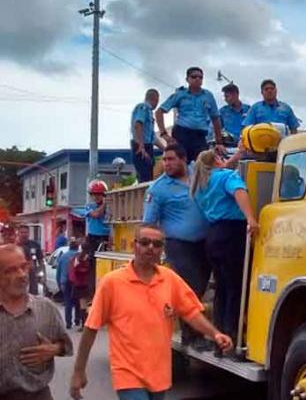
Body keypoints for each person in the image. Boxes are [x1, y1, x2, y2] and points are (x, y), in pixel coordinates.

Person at [69, 225, 233, 400]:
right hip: (127, 373)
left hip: (159, 375)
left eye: (157, 244)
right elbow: (91, 327)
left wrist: (215, 334)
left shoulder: (170, 279)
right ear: (135, 246)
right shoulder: (112, 283)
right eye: (145, 242)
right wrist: (79, 371)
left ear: (162, 249)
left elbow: (191, 312)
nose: (150, 248)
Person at [143, 143, 212, 349]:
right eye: (164, 160)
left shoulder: (198, 173)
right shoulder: (158, 189)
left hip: (205, 242)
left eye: (171, 159)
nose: (166, 164)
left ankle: (201, 330)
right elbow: (148, 222)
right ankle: (191, 336)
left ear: (184, 160)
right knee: (190, 288)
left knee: (202, 285)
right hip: (178, 245)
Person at [190, 150, 260, 344]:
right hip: (232, 233)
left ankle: (218, 335)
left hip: (213, 236)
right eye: (221, 158)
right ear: (216, 161)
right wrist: (251, 218)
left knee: (222, 287)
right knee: (237, 286)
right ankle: (234, 334)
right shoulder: (226, 176)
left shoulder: (200, 185)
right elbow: (239, 191)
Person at [0, 244, 73, 400]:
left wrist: (54, 349)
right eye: (11, 270)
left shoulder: (45, 307)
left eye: (23, 267)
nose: (21, 274)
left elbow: (66, 346)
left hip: (38, 395)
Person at [156, 67, 224, 162]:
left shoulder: (208, 95)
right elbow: (159, 112)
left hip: (200, 137)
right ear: (187, 79)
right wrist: (164, 134)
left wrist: (219, 142)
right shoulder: (180, 94)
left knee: (201, 166)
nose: (197, 79)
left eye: (200, 77)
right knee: (179, 165)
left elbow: (215, 118)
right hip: (182, 135)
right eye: (194, 77)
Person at [84, 180, 110, 296]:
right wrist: (105, 204)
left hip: (106, 237)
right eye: (94, 194)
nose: (96, 197)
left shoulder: (110, 206)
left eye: (99, 194)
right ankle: (92, 292)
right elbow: (96, 215)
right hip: (93, 238)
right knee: (93, 265)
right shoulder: (89, 207)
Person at [131, 89, 163, 182]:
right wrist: (141, 145)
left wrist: (165, 149)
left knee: (148, 176)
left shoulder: (149, 112)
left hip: (147, 146)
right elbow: (138, 124)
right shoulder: (143, 107)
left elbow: (152, 136)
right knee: (144, 177)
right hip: (141, 146)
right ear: (155, 99)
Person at [56, 239, 81, 329]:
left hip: (66, 282)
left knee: (68, 302)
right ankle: (77, 320)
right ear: (78, 247)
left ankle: (68, 323)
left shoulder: (63, 256)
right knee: (78, 302)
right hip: (78, 282)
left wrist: (59, 283)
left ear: (69, 247)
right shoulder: (79, 256)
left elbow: (58, 271)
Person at [68, 243, 92, 331]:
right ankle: (86, 323)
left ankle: (84, 325)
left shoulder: (77, 258)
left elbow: (73, 269)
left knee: (82, 305)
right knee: (86, 305)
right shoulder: (89, 258)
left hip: (79, 284)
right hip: (87, 283)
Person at [16, 225, 43, 295]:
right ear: (18, 233)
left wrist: (41, 273)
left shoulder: (35, 245)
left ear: (29, 233)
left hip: (32, 273)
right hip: (17, 274)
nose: (24, 234)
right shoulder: (14, 245)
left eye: (26, 232)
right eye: (22, 232)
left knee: (33, 294)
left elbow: (40, 260)